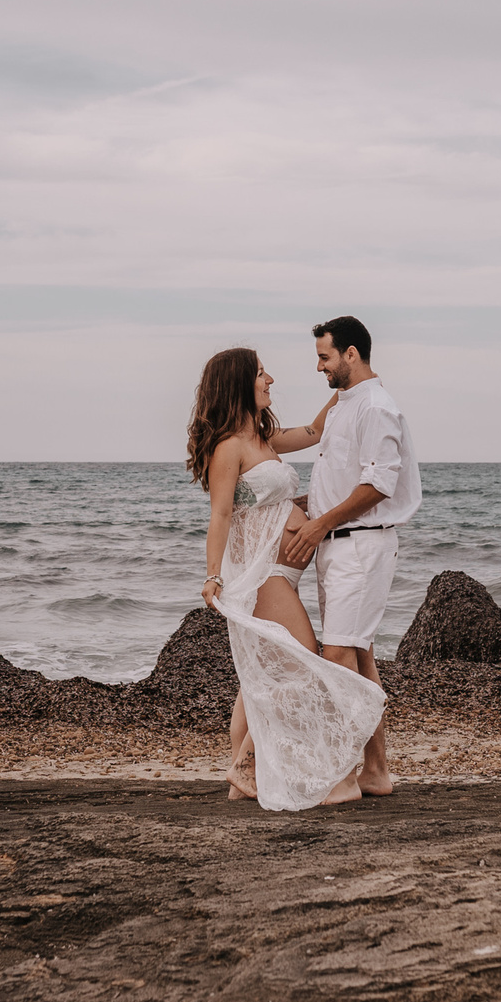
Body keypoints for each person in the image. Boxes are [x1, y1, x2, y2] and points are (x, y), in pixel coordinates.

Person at [187, 347, 386, 810]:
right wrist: (212, 576)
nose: (270, 379)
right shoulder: (228, 448)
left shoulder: (264, 437)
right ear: (239, 383)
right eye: (261, 374)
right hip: (262, 575)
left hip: (284, 575)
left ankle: (242, 776)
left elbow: (315, 432)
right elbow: (220, 515)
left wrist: (353, 390)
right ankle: (251, 765)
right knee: (301, 665)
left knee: (254, 681)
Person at [278, 314, 418, 796]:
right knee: (356, 652)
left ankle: (342, 775)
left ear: (351, 354)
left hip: (360, 545)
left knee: (337, 654)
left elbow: (379, 484)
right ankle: (375, 771)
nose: (319, 367)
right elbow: (336, 468)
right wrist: (305, 507)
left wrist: (319, 523)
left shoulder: (376, 406)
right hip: (341, 543)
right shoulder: (344, 401)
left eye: (324, 357)